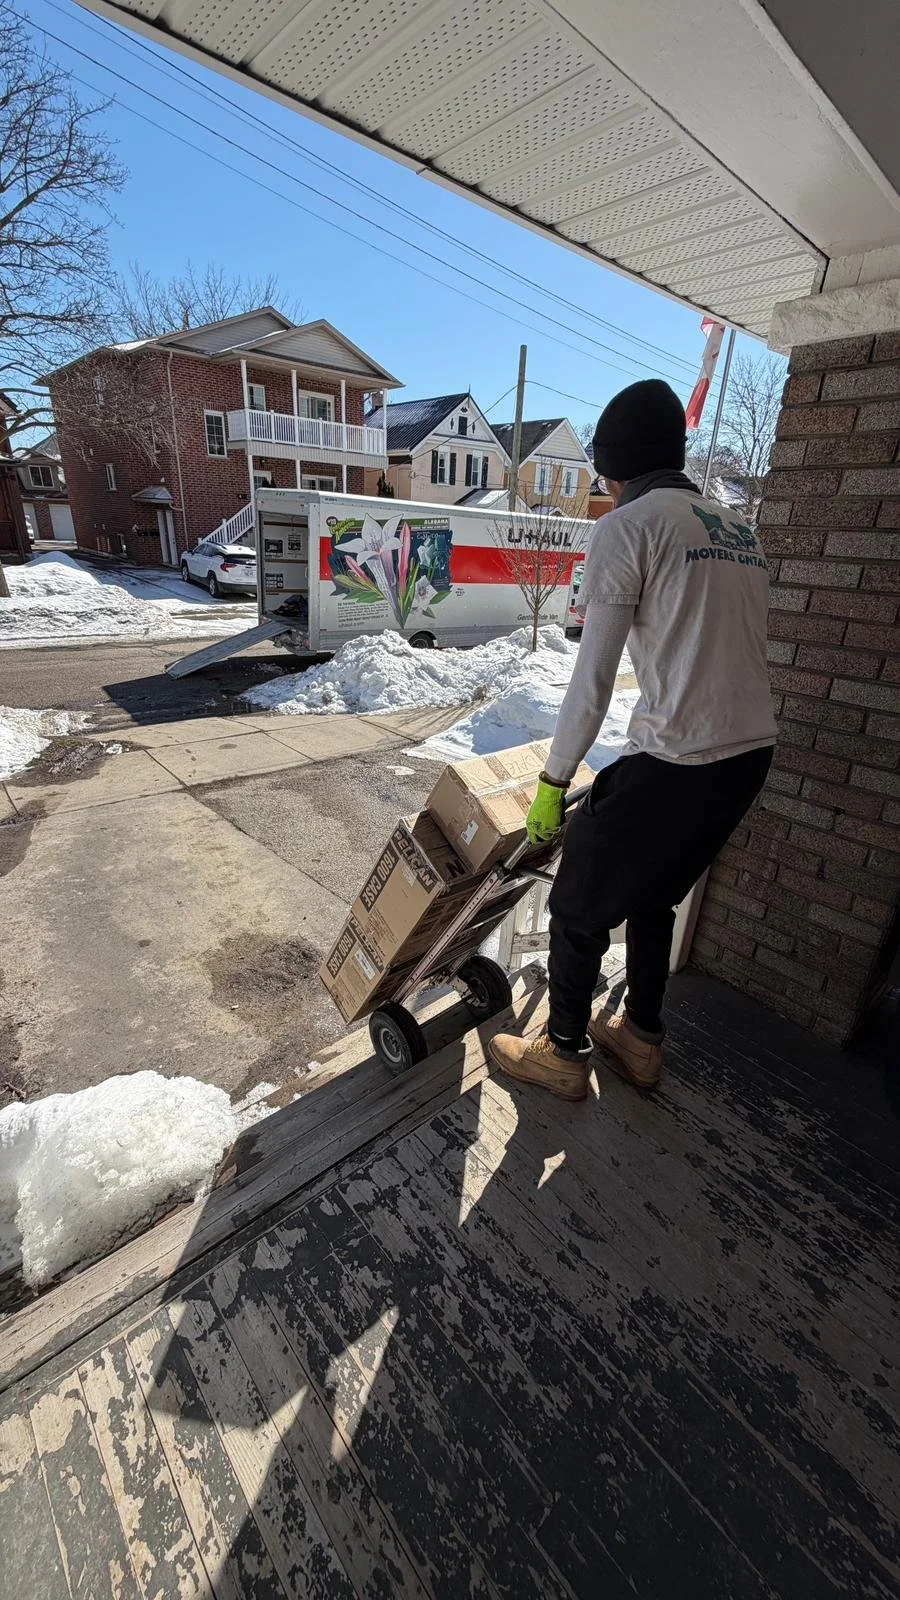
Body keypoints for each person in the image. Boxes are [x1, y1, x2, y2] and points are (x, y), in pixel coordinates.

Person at [489, 378, 776, 1101]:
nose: (607, 487)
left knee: (576, 908)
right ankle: (642, 1041)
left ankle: (561, 1054)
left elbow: (592, 679)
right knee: (653, 896)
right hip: (748, 756)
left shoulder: (630, 525)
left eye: (604, 473)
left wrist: (553, 784)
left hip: (681, 756)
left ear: (616, 467)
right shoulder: (736, 527)